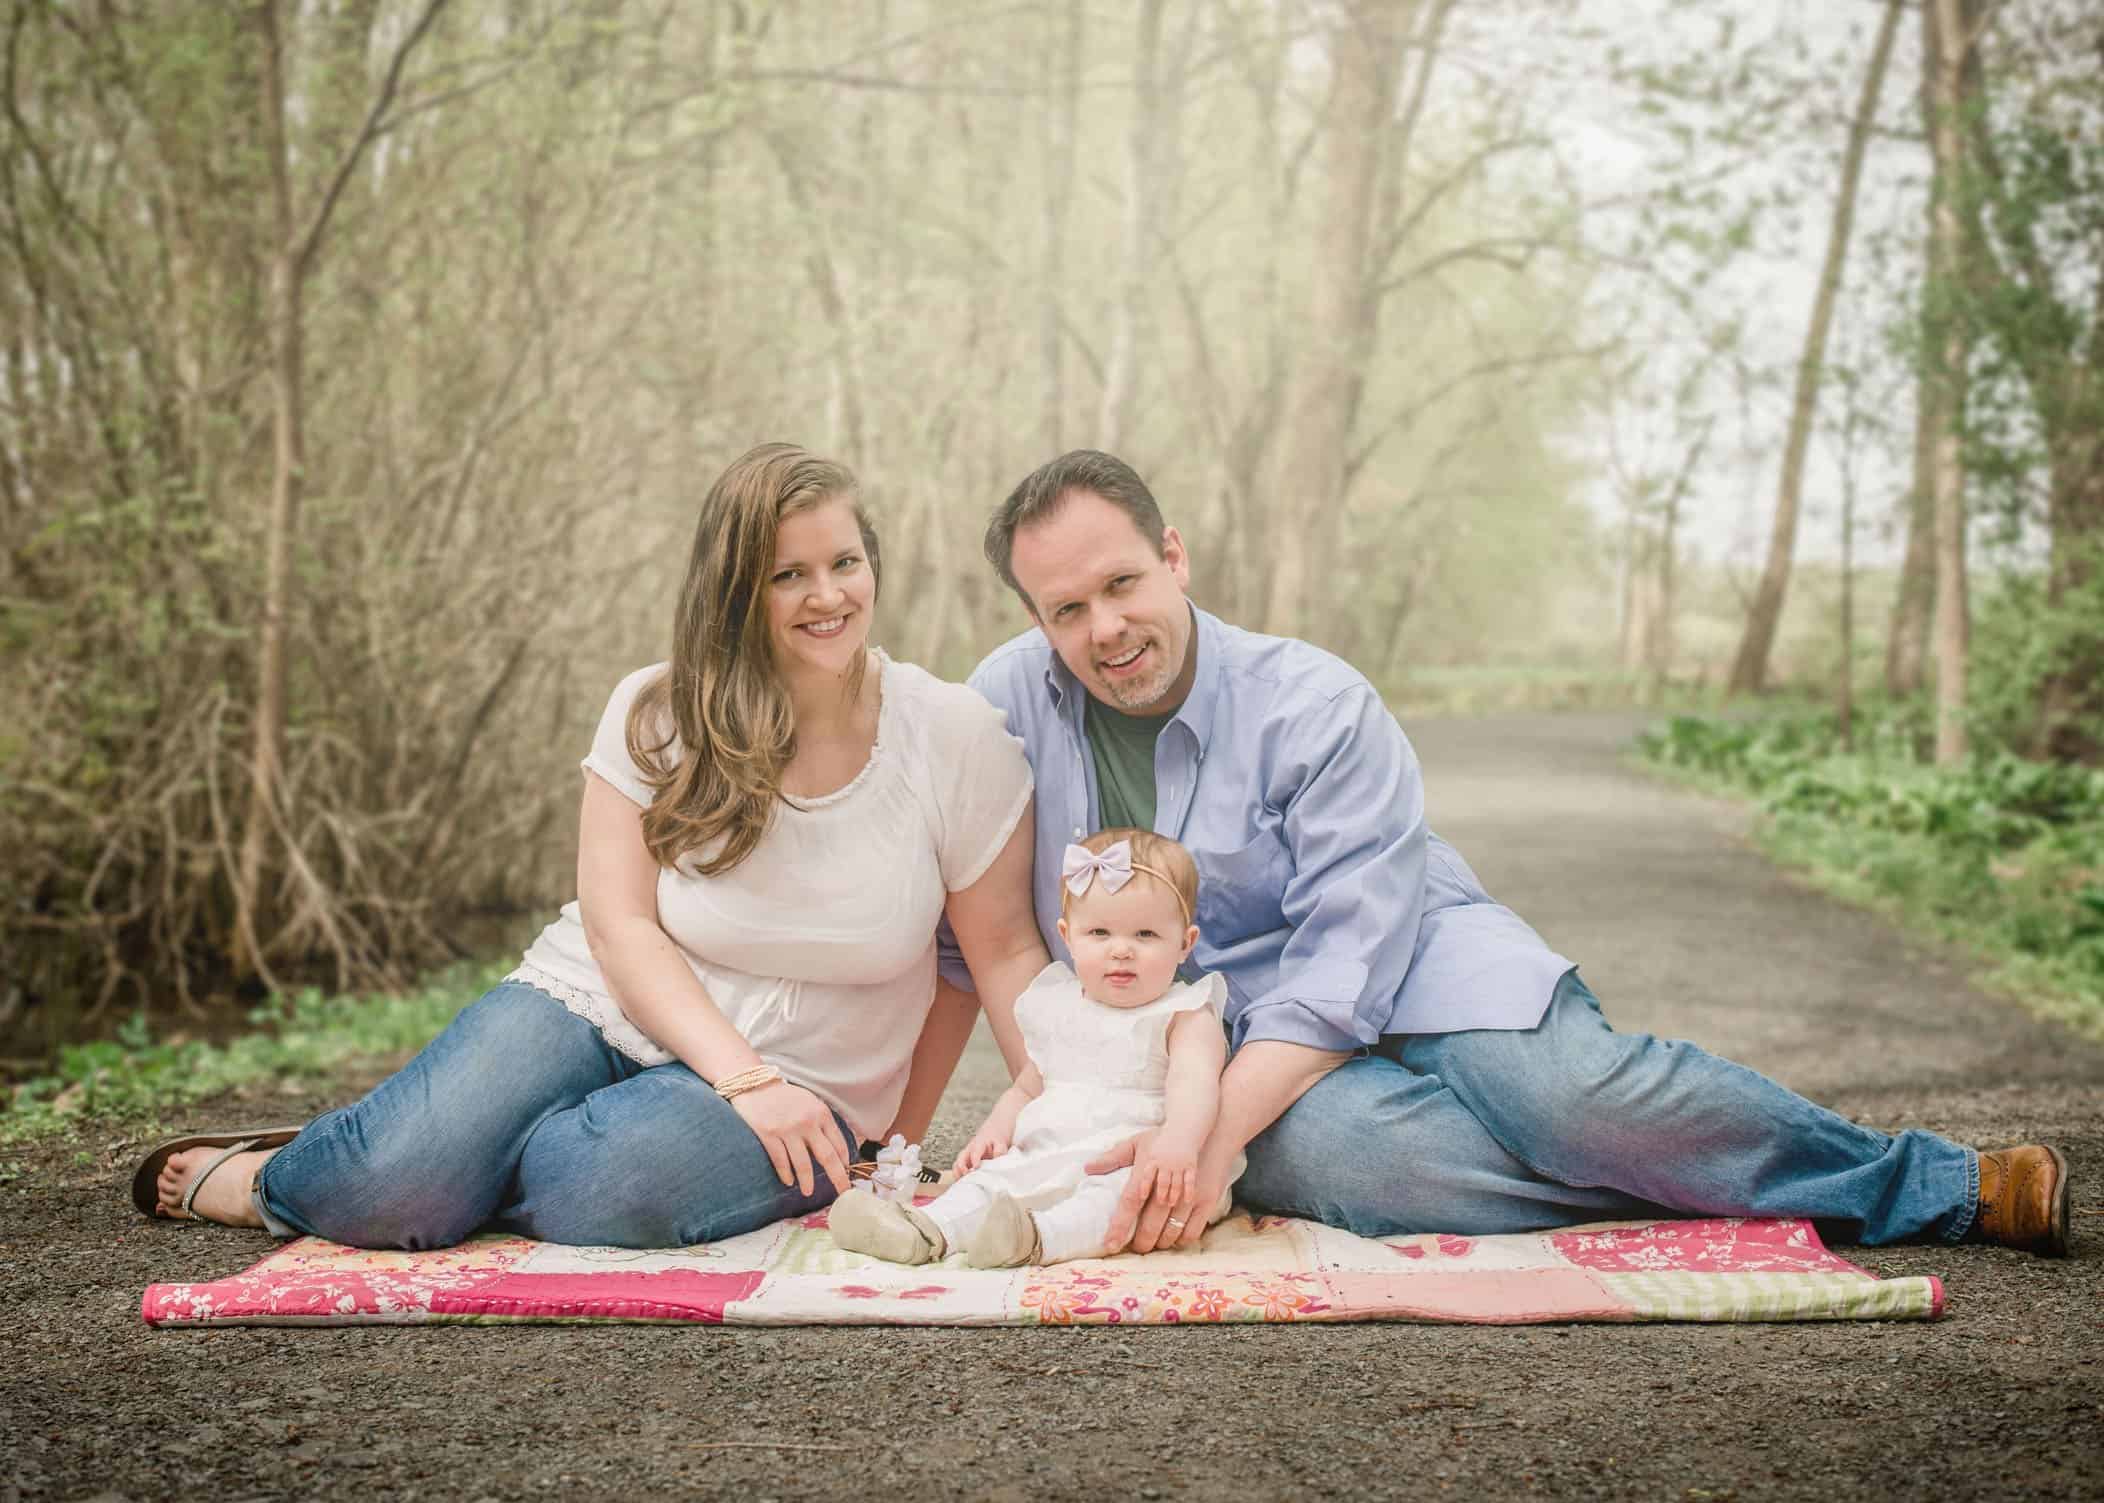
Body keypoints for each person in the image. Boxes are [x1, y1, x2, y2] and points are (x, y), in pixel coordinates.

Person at [939, 448, 2073, 1261]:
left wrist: (1198, 1138)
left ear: (1174, 556)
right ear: (1036, 619)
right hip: (1222, 1033)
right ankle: (1698, 1194)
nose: (1103, 631)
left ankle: (1940, 1186)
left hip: (1411, 954)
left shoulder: (1314, 703)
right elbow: (959, 908)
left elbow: (1348, 962)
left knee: (1569, 1099)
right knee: (1359, 1170)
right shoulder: (1004, 711)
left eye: (1122, 584)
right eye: (1066, 609)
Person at [131, 442, 1048, 1250]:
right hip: (601, 1003)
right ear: (733, 591)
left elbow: (997, 953)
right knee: (391, 1186)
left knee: (604, 1186)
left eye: (845, 562)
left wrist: (1041, 1110)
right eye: (787, 575)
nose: (828, 595)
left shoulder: (951, 736)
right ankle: (282, 1178)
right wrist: (744, 1075)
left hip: (814, 1081)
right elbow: (619, 926)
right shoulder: (658, 712)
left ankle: (450, 1159)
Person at [829, 828, 1235, 1268]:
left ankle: (1036, 1238)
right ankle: (924, 1232)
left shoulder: (1186, 1013)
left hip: (1139, 1158)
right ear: (1067, 936)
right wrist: (995, 1130)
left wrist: (1179, 1142)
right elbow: (1027, 1087)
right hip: (1048, 1151)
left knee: (1112, 1198)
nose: (1121, 950)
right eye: (1099, 932)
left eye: (1145, 935)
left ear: (1184, 944)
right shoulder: (1058, 1006)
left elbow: (1195, 1085)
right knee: (990, 1181)